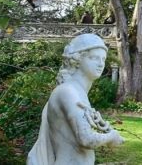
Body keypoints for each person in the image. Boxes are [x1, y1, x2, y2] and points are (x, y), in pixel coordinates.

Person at [28, 33, 124, 165]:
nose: (101, 64)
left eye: (103, 59)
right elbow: (86, 139)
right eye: (94, 58)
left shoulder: (76, 91)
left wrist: (105, 128)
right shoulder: (69, 91)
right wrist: (111, 137)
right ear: (77, 59)